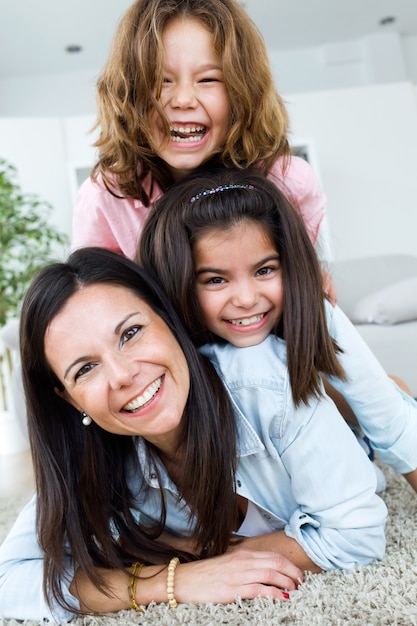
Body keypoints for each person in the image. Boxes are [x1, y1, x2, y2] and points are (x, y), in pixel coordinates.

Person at [0, 247, 386, 622]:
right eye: (85, 369)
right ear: (70, 400)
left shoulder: (268, 383)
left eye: (131, 332)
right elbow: (9, 581)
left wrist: (205, 554)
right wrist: (173, 581)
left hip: (347, 439)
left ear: (168, 319)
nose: (122, 375)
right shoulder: (92, 456)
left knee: (368, 406)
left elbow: (357, 537)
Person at [138, 168, 417, 493]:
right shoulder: (166, 344)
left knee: (381, 394)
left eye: (265, 270)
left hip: (330, 434)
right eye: (216, 280)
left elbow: (384, 414)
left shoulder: (313, 307)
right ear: (179, 284)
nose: (246, 299)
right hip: (262, 454)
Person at [71, 0, 334, 298]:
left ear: (242, 92)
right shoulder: (104, 198)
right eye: (160, 81)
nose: (183, 99)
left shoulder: (290, 182)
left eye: (208, 79)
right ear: (129, 94)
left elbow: (299, 285)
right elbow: (101, 306)